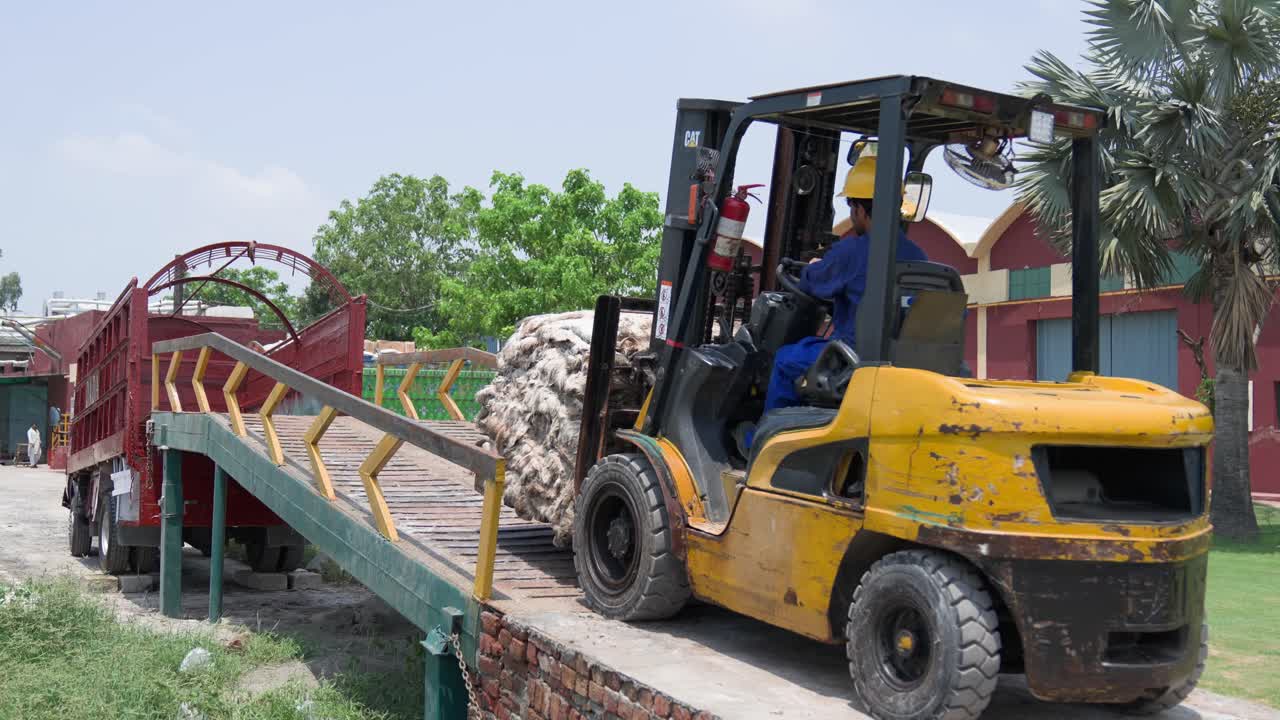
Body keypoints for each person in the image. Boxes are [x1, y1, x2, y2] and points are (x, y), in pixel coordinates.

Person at [738, 145, 928, 453]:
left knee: (786, 359)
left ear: (860, 210)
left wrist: (814, 267)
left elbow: (813, 282)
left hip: (852, 359)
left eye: (852, 208)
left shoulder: (852, 251)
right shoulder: (919, 257)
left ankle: (764, 443)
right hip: (900, 363)